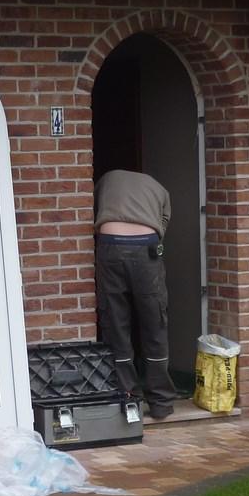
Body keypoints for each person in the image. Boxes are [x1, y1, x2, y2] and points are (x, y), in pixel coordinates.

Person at [93, 168, 175, 419]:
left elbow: (94, 208)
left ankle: (127, 398)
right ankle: (160, 403)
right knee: (154, 321)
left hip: (110, 246)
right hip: (146, 249)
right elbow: (163, 223)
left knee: (116, 321)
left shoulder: (106, 179)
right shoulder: (159, 187)